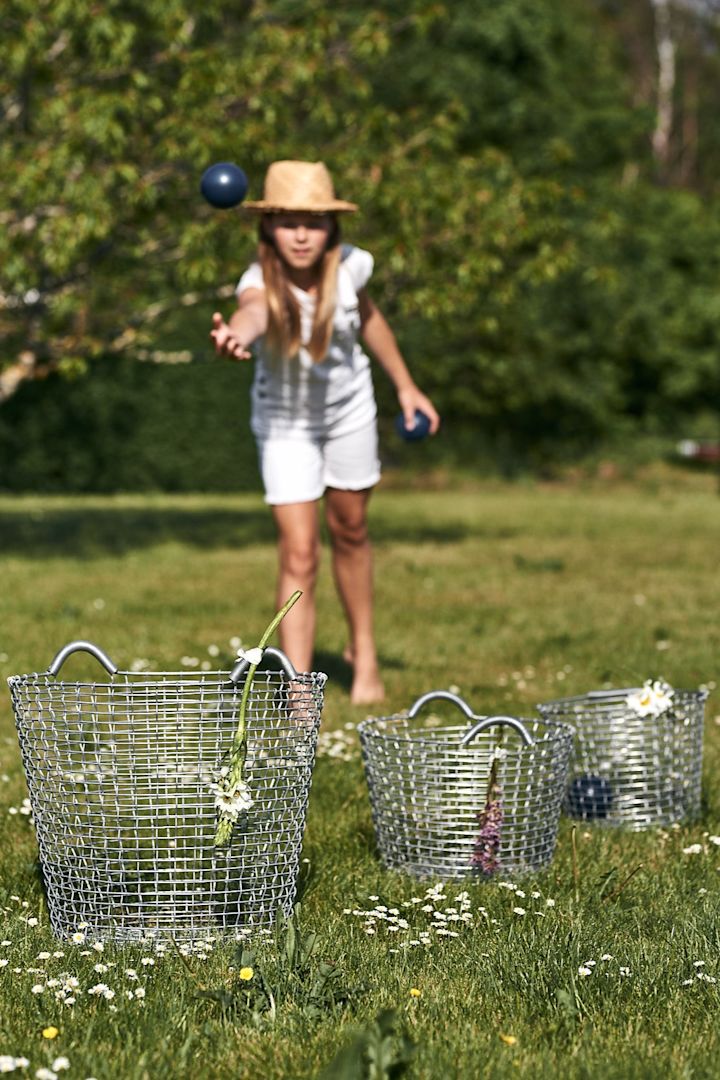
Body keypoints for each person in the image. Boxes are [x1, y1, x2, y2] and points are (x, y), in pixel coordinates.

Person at [210, 160, 439, 704]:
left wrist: (406, 387)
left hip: (349, 412)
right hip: (285, 423)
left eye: (313, 222)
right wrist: (234, 338)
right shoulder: (257, 283)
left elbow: (370, 319)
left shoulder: (353, 267)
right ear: (268, 227)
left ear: (332, 227)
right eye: (289, 221)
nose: (301, 234)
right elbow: (252, 314)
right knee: (300, 551)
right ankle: (298, 693)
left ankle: (365, 651)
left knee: (352, 529)